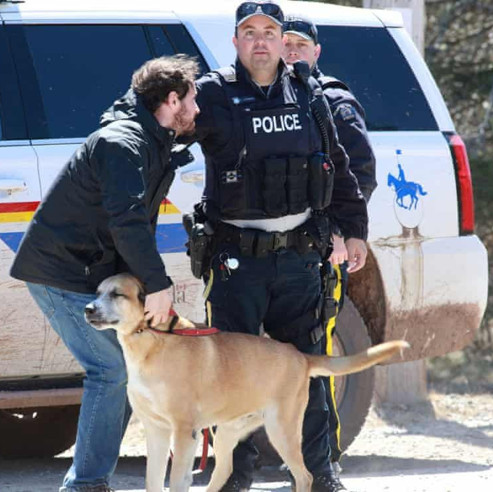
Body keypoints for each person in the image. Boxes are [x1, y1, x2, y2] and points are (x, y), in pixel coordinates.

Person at [184, 2, 368, 491]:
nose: (261, 41)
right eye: (250, 32)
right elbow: (163, 137)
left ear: (283, 38)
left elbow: (338, 164)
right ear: (236, 41)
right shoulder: (211, 95)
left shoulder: (308, 92)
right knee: (226, 375)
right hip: (235, 257)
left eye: (270, 31)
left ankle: (319, 472)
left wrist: (354, 229)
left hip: (300, 257)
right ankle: (232, 475)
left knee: (309, 365)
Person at [9, 55, 201, 492]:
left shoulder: (151, 137)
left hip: (88, 270)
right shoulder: (123, 143)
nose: (198, 109)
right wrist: (156, 285)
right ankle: (86, 485)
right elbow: (128, 222)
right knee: (111, 369)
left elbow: (133, 225)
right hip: (61, 271)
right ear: (172, 100)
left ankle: (91, 481)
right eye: (192, 99)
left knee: (123, 368)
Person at [282, 14, 378, 471]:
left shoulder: (333, 101)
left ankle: (324, 460)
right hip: (277, 248)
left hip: (322, 248)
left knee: (317, 355)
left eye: (302, 44)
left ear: (316, 52)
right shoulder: (269, 98)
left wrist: (343, 232)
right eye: (287, 43)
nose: (293, 51)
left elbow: (358, 174)